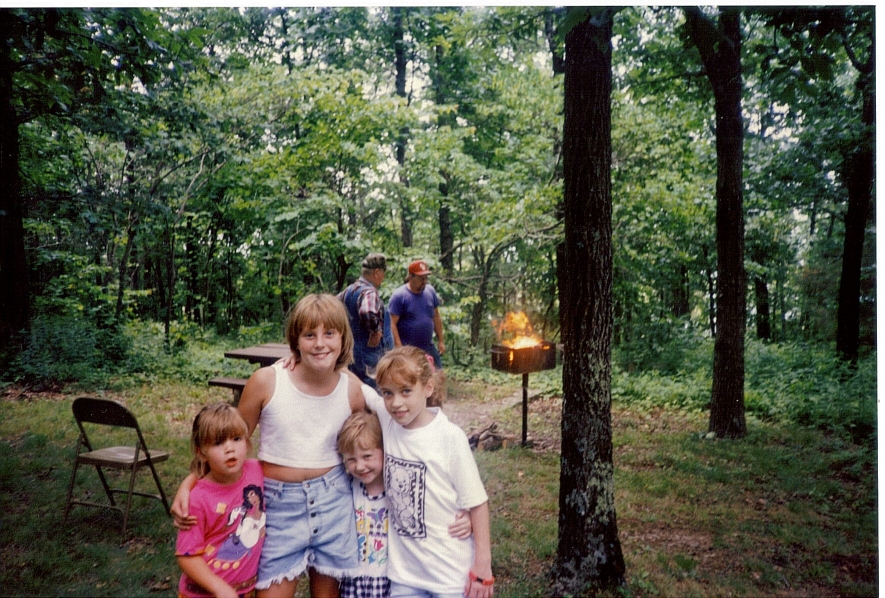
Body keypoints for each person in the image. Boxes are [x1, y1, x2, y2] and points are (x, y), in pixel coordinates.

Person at [173, 294, 367, 598]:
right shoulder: (267, 381)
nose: (320, 343)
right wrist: (188, 484)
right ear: (295, 340)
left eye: (329, 333)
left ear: (343, 337)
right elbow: (229, 444)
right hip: (277, 507)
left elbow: (369, 445)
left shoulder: (352, 389)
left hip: (334, 503)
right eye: (309, 335)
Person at [362, 346, 494, 598]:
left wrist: (483, 566)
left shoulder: (449, 437)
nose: (396, 402)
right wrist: (298, 361)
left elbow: (477, 503)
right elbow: (354, 385)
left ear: (428, 388)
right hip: (405, 577)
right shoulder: (388, 421)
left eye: (406, 391)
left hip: (450, 577)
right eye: (387, 393)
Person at [335, 410, 473, 598]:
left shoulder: (398, 488)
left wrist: (467, 515)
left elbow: (434, 499)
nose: (359, 466)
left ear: (385, 449)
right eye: (351, 459)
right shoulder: (349, 487)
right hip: (353, 580)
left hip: (390, 579)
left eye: (367, 456)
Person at [176, 403, 266, 598]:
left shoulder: (257, 471)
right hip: (204, 594)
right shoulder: (197, 499)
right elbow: (187, 555)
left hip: (245, 590)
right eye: (218, 443)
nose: (229, 449)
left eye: (236, 439)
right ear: (201, 453)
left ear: (247, 442)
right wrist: (219, 588)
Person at [338, 253, 394, 388]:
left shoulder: (349, 290)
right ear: (376, 272)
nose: (384, 277)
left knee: (355, 386)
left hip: (352, 352)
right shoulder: (370, 292)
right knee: (374, 389)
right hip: (370, 355)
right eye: (383, 273)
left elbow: (332, 306)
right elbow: (367, 311)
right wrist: (375, 330)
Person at [387, 260, 445, 369]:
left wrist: (441, 340)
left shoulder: (430, 291)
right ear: (411, 277)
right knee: (413, 377)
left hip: (428, 346)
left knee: (438, 374)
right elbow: (391, 323)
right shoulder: (399, 296)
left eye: (426, 278)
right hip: (408, 349)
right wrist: (399, 348)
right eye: (421, 278)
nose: (424, 281)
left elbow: (436, 316)